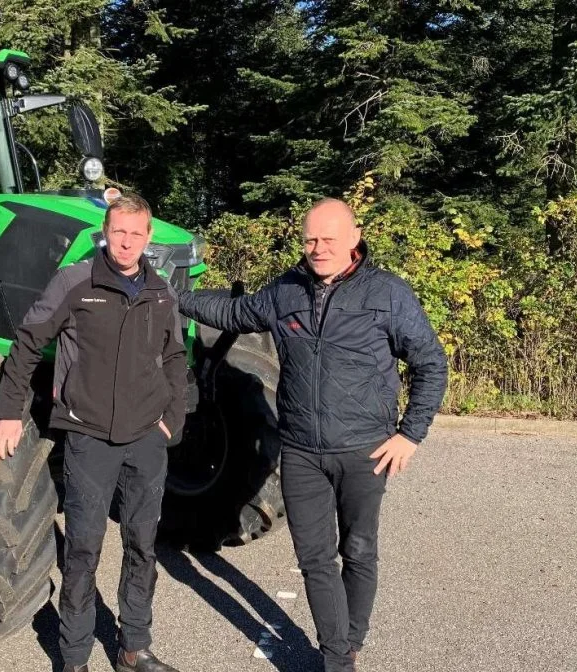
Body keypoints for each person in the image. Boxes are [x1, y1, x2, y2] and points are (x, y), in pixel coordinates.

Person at [176, 198, 448, 672]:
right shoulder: (286, 290)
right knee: (315, 559)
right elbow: (236, 313)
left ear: (354, 237)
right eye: (310, 239)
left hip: (367, 450)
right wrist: (173, 297)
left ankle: (352, 637)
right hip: (301, 451)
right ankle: (338, 657)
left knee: (359, 549)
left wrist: (410, 435)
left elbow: (430, 363)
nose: (318, 248)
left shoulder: (386, 293)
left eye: (328, 239)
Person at [0, 194, 185, 672]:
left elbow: (176, 357)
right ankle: (74, 657)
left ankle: (134, 646)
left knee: (142, 543)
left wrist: (172, 420)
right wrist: (9, 412)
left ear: (148, 237)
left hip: (145, 437)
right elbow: (29, 341)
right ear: (106, 231)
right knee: (83, 546)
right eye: (119, 231)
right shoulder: (76, 282)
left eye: (136, 233)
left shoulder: (160, 291)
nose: (126, 241)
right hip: (89, 436)